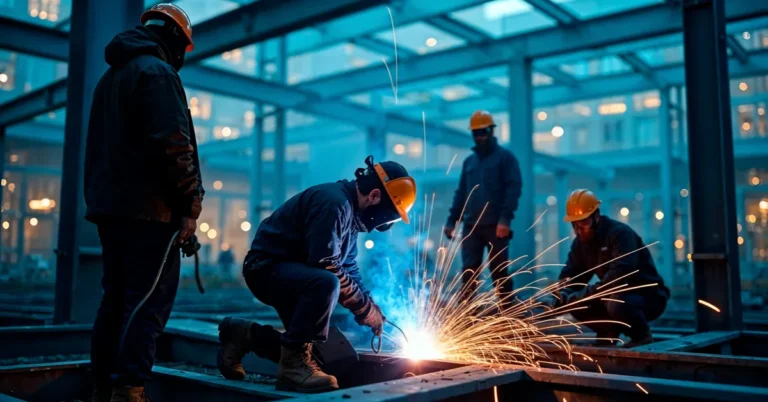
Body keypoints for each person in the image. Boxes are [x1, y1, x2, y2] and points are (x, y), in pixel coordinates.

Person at [83, 4, 203, 402]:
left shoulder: (110, 77)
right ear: (174, 39)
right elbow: (174, 145)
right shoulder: (158, 73)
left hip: (111, 210)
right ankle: (129, 389)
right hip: (152, 212)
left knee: (115, 299)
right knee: (147, 303)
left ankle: (103, 385)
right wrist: (190, 205)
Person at [217, 156, 416, 393]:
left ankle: (245, 335)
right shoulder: (334, 203)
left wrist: (370, 306)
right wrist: (362, 308)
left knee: (323, 359)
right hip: (267, 270)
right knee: (327, 282)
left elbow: (349, 267)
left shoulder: (348, 213)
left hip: (296, 276)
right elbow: (326, 265)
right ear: (374, 196)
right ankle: (292, 370)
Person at [551, 189, 670, 348]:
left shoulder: (620, 235)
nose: (580, 229)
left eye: (584, 222)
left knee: (615, 301)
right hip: (615, 296)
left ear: (596, 216)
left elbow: (616, 279)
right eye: (575, 224)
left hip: (646, 297)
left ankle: (641, 335)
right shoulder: (580, 244)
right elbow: (571, 276)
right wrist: (560, 295)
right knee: (575, 303)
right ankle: (608, 333)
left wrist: (581, 295)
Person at [444, 110, 522, 306]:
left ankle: (508, 314)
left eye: (483, 131)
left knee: (499, 271)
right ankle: (466, 316)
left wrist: (505, 219)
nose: (479, 136)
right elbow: (462, 193)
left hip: (496, 226)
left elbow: (513, 188)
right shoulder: (469, 162)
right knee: (469, 272)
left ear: (491, 130)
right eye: (476, 132)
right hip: (472, 226)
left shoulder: (505, 158)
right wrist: (452, 220)